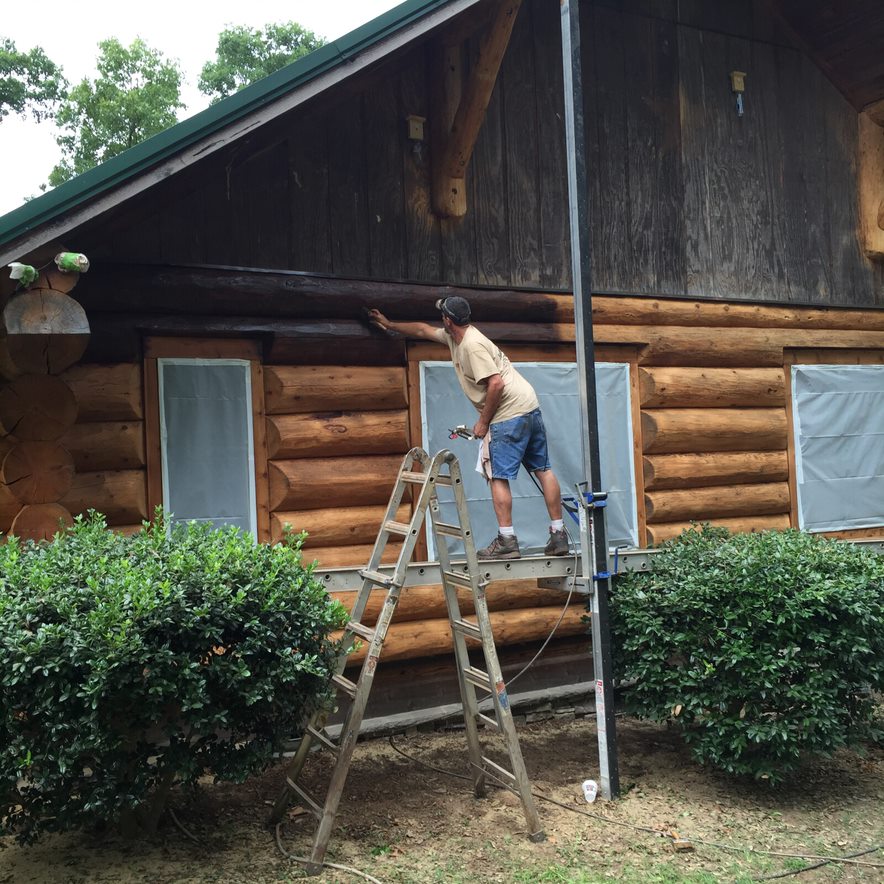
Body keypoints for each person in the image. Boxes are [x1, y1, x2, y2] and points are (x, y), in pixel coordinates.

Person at [367, 297, 568, 559]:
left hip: (509, 413)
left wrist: (483, 422)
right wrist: (389, 324)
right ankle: (558, 535)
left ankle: (507, 540)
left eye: (442, 315)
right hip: (529, 406)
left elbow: (496, 384)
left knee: (497, 475)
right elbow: (421, 330)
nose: (440, 320)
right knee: (543, 469)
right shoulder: (457, 336)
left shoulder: (472, 346)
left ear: (448, 320)